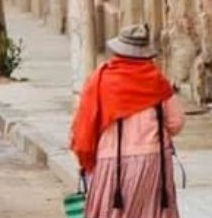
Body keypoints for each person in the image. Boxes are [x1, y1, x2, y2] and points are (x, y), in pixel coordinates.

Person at [71, 24, 184, 218]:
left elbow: (84, 125)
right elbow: (176, 122)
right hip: (154, 162)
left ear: (118, 52)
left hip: (112, 163)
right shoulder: (157, 82)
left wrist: (86, 157)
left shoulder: (100, 81)